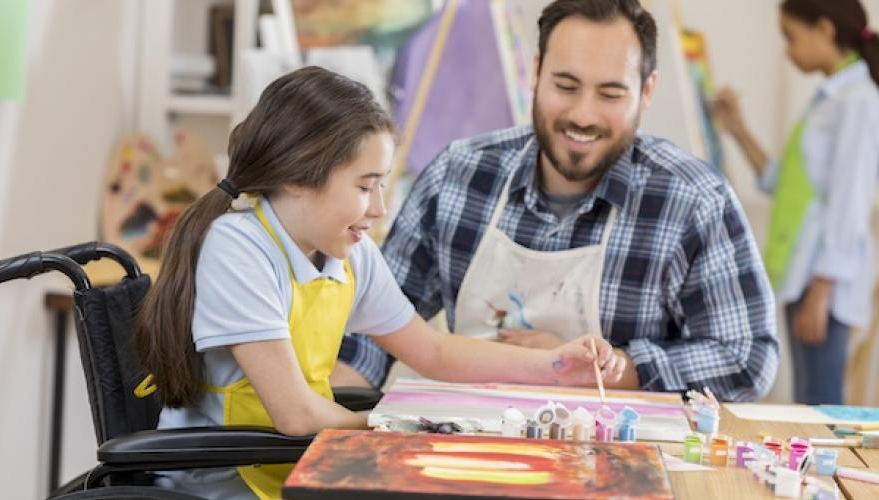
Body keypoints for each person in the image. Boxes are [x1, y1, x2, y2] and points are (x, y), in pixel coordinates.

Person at [135, 66, 625, 500]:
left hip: (297, 465)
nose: (379, 208)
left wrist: (558, 366)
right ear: (299, 177)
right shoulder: (238, 247)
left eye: (382, 185)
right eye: (365, 186)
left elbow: (432, 352)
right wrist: (401, 428)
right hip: (224, 482)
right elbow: (296, 416)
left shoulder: (348, 254)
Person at [338, 0, 779, 402]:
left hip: (622, 464)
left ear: (647, 90)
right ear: (535, 72)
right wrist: (319, 424)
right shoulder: (459, 176)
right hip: (470, 444)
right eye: (565, 85)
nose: (583, 115)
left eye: (610, 94)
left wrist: (607, 370)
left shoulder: (693, 200)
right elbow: (373, 325)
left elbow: (746, 358)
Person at [713, 0, 879, 405]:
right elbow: (783, 184)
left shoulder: (856, 101)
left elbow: (849, 205)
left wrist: (820, 293)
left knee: (819, 405)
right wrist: (736, 129)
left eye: (791, 37)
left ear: (824, 29)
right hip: (803, 276)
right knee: (810, 400)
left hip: (822, 284)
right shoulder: (830, 97)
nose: (787, 50)